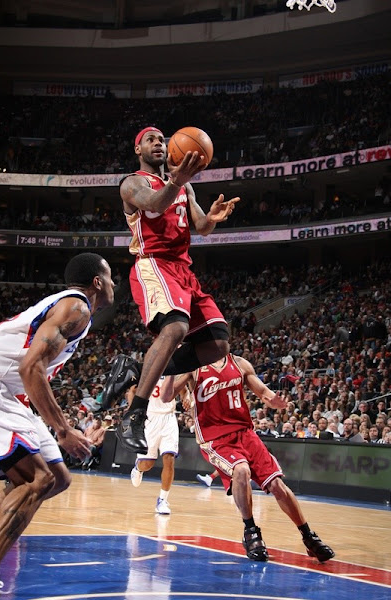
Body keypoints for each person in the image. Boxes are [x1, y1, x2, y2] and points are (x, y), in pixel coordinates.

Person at [105, 126, 240, 453]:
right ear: (138, 149)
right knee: (176, 327)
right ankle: (134, 415)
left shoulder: (184, 186)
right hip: (154, 263)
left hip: (183, 269)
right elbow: (153, 202)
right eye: (150, 140)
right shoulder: (132, 183)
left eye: (161, 140)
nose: (158, 144)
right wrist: (176, 182)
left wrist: (212, 218)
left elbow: (200, 226)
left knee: (218, 344)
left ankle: (134, 370)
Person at [0, 252, 115, 591]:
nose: (114, 284)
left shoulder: (75, 311)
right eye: (111, 277)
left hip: (10, 392)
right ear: (97, 282)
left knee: (58, 478)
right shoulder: (76, 308)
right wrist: (63, 430)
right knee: (38, 479)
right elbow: (30, 368)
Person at [174, 354, 335, 563]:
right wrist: (178, 374)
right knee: (241, 470)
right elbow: (168, 395)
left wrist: (274, 401)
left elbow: (263, 392)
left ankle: (308, 536)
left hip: (246, 433)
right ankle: (250, 531)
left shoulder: (239, 363)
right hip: (215, 437)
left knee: (277, 485)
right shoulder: (194, 365)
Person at [130, 376, 181, 515]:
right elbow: (132, 390)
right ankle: (138, 468)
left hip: (169, 417)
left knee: (169, 458)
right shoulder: (147, 369)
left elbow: (183, 388)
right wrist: (133, 413)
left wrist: (187, 397)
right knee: (147, 464)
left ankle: (163, 500)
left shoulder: (174, 370)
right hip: (150, 417)